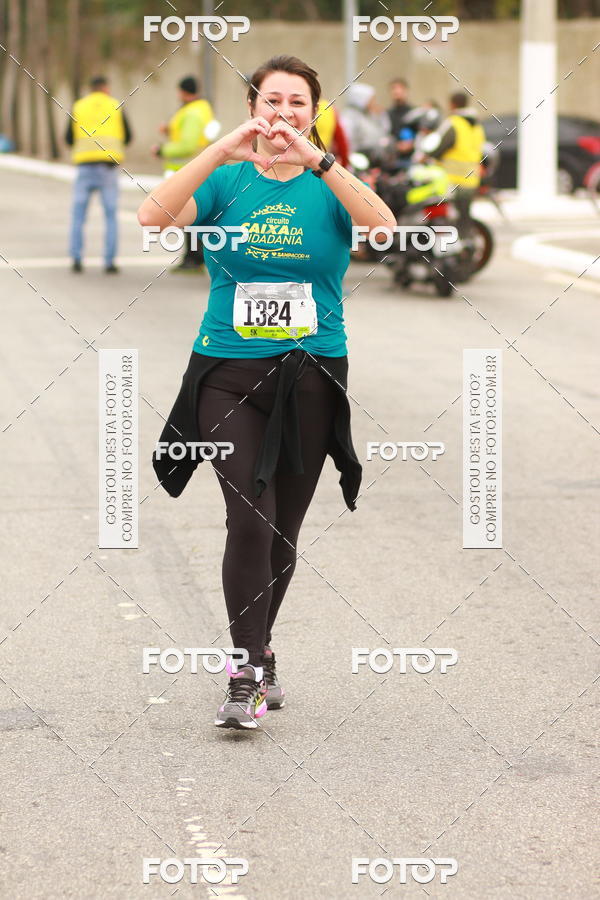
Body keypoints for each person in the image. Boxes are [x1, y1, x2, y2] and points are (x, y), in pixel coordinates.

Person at [138, 55, 395, 730]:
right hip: (227, 371)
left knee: (284, 529)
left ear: (314, 114)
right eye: (272, 101)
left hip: (312, 374)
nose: (283, 114)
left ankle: (263, 649)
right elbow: (152, 218)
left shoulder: (329, 185)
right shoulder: (225, 183)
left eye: (298, 104)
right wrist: (219, 148)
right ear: (254, 107)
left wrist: (321, 161)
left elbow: (384, 230)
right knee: (248, 519)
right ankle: (246, 672)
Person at [66, 75, 132, 273]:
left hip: (84, 167)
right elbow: (128, 136)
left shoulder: (78, 106)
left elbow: (69, 138)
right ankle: (109, 262)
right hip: (108, 168)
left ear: (91, 88)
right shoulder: (115, 105)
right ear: (105, 88)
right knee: (111, 215)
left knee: (78, 215)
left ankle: (76, 259)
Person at [152, 76, 218, 270]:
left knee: (189, 215)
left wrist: (161, 150)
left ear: (182, 91)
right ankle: (194, 257)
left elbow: (188, 145)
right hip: (197, 169)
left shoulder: (192, 113)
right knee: (195, 215)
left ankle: (194, 258)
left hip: (187, 170)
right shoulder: (202, 108)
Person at [419, 91, 485, 236]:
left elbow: (438, 145)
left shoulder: (453, 123)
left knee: (446, 215)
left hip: (451, 178)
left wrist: (425, 156)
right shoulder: (477, 126)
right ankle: (466, 245)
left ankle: (447, 246)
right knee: (464, 216)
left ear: (452, 104)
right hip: (471, 178)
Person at [340, 83, 390, 158]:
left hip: (372, 157)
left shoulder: (369, 115)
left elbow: (383, 131)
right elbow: (347, 140)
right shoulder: (349, 117)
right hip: (356, 158)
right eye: (371, 99)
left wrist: (382, 116)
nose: (373, 102)